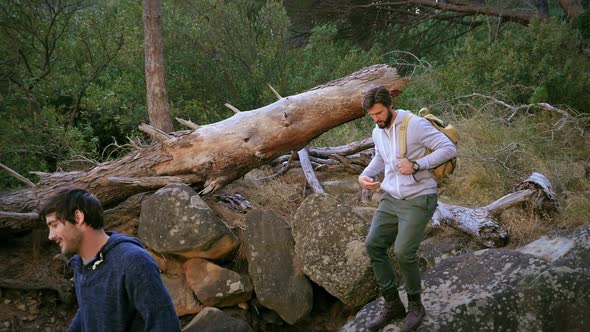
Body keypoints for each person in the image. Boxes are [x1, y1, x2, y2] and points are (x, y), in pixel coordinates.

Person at [358, 86, 457, 331]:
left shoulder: (414, 124)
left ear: (390, 105)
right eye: (372, 115)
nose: (377, 119)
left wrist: (416, 165)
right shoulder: (377, 130)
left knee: (403, 252)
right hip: (391, 198)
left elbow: (448, 149)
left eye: (379, 113)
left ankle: (416, 306)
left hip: (419, 197)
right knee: (374, 245)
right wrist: (364, 175)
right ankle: (392, 305)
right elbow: (381, 157)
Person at [40, 188, 181, 332]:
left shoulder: (133, 261)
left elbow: (164, 324)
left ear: (78, 217)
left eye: (54, 225)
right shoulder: (82, 265)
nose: (50, 236)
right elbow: (87, 312)